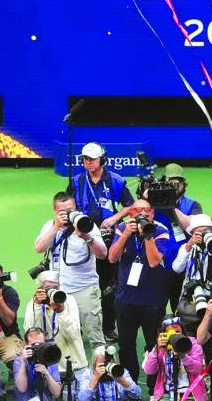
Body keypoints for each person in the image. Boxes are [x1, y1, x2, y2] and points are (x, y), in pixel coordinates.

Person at [67, 142, 136, 341]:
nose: (88, 162)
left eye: (92, 159)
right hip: (82, 237)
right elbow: (69, 206)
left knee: (109, 285)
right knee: (79, 282)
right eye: (85, 159)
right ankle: (77, 324)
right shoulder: (77, 180)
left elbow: (130, 206)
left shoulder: (115, 180)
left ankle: (108, 327)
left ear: (102, 160)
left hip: (108, 237)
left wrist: (115, 218)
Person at [34, 191, 108, 358]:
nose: (67, 214)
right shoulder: (50, 225)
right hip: (58, 289)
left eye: (70, 210)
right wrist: (55, 227)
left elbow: (103, 254)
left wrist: (87, 236)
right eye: (62, 211)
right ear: (55, 210)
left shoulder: (85, 224)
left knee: (95, 337)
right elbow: (39, 248)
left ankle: (101, 374)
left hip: (84, 289)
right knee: (58, 333)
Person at [107, 199, 171, 383]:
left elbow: (153, 261)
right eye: (137, 211)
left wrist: (147, 236)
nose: (142, 214)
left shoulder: (160, 230)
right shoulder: (122, 228)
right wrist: (126, 234)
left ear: (152, 213)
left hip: (153, 300)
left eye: (147, 211)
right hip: (126, 298)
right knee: (126, 345)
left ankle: (154, 387)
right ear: (130, 213)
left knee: (154, 344)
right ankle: (130, 384)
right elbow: (112, 258)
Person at [149, 163, 203, 312]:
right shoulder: (153, 202)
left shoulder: (192, 205)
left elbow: (192, 226)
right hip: (158, 262)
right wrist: (149, 197)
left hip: (182, 265)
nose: (174, 186)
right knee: (155, 309)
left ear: (183, 184)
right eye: (170, 182)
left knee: (180, 309)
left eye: (177, 182)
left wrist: (171, 205)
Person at [143, 316, 206, 401]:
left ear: (183, 331)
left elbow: (198, 369)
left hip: (189, 397)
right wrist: (156, 349)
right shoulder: (160, 347)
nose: (175, 337)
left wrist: (183, 355)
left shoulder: (192, 344)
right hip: (167, 397)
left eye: (178, 332)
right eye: (171, 333)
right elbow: (149, 370)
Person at [21, 270, 87, 377]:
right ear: (39, 289)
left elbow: (73, 335)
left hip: (73, 365)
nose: (52, 291)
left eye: (55, 288)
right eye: (48, 288)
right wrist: (37, 306)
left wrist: (61, 311)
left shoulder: (69, 301)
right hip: (45, 365)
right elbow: (29, 333)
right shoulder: (33, 304)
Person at [0, 262, 23, 366]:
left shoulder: (8, 292)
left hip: (5, 337)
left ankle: (17, 379)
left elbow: (8, 321)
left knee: (17, 359)